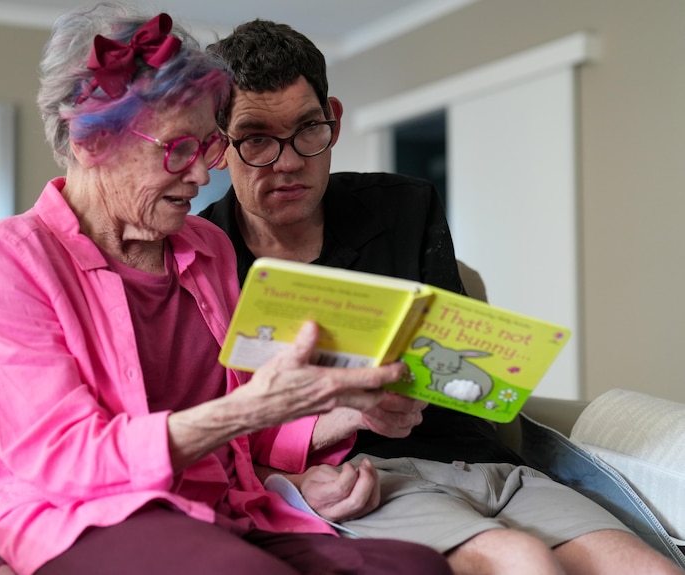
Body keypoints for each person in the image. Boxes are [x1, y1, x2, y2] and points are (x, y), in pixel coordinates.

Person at [0, 4, 455, 575]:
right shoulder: (12, 257)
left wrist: (354, 410)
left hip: (215, 511)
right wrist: (248, 408)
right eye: (177, 149)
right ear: (92, 144)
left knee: (417, 568)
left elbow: (252, 429)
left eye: (208, 146)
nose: (202, 174)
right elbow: (62, 457)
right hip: (73, 519)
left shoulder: (207, 248)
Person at [200, 19, 685, 575]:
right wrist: (328, 437)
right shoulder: (202, 256)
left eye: (309, 129)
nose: (289, 161)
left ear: (333, 117)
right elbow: (215, 436)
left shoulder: (404, 205)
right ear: (218, 145)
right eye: (257, 139)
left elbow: (455, 358)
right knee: (522, 561)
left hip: (481, 458)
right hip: (368, 477)